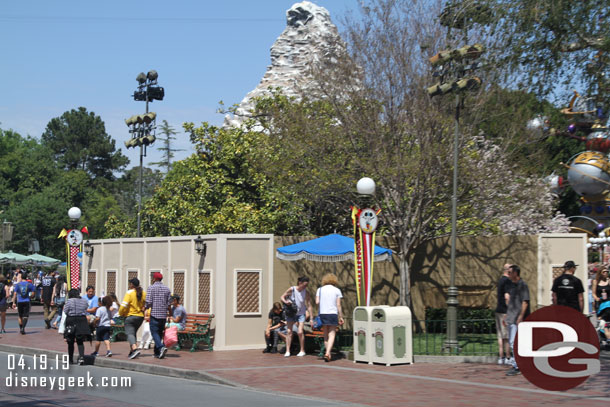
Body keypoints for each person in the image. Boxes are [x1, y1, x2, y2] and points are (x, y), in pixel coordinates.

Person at [504, 264, 530, 376]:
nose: (508, 274)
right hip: (511, 318)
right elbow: (511, 302)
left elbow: (525, 301)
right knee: (512, 342)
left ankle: (517, 366)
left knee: (515, 343)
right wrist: (507, 315)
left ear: (515, 273)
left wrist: (521, 316)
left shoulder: (522, 285)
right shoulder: (512, 286)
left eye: (510, 272)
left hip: (517, 319)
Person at [280, 276, 314, 357]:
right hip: (291, 313)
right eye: (304, 285)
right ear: (300, 283)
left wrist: (311, 318)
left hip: (301, 314)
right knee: (289, 331)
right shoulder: (292, 289)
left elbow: (309, 305)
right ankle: (288, 351)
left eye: (307, 285)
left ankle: (302, 350)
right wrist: (286, 301)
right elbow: (282, 297)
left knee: (300, 332)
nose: (305, 287)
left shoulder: (306, 292)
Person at [316, 273, 344, 362]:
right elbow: (338, 304)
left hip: (323, 313)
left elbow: (317, 302)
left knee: (325, 335)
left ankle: (327, 353)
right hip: (332, 313)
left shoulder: (319, 289)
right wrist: (341, 316)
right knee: (332, 334)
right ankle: (328, 352)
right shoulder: (337, 290)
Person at [145, 272, 172, 359]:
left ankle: (161, 347)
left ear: (154, 278)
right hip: (163, 315)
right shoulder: (167, 289)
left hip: (154, 314)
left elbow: (148, 302)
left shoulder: (151, 288)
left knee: (154, 332)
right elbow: (169, 304)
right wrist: (169, 314)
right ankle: (157, 353)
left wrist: (145, 308)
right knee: (160, 333)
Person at [119, 278, 146, 359]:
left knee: (129, 334)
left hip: (131, 317)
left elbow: (123, 306)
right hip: (140, 317)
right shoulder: (144, 293)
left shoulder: (129, 293)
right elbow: (146, 304)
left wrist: (121, 313)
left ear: (131, 285)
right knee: (133, 333)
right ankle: (131, 352)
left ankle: (134, 349)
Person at [63, 288, 92, 365]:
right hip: (81, 320)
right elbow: (86, 308)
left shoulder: (69, 301)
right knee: (80, 341)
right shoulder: (84, 300)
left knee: (70, 341)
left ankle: (70, 359)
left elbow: (65, 311)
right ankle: (81, 357)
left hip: (71, 320)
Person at [495, 263, 514, 365]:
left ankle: (500, 357)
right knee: (506, 336)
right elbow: (507, 297)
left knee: (500, 335)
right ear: (508, 271)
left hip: (498, 310)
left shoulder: (500, 280)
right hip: (504, 311)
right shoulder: (507, 281)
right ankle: (507, 357)